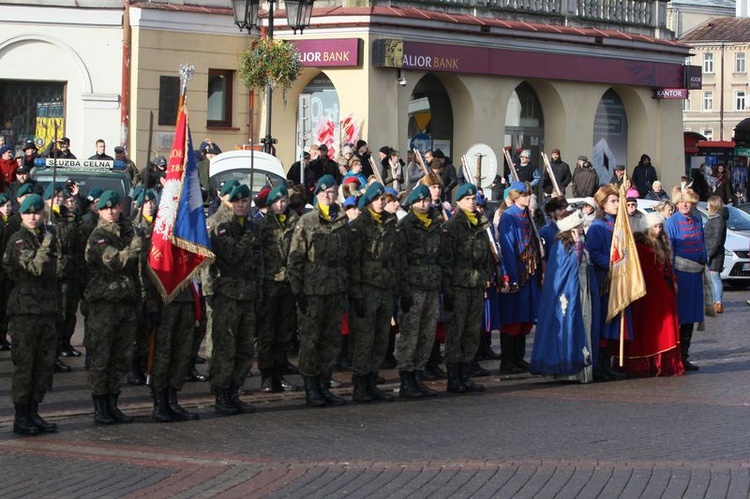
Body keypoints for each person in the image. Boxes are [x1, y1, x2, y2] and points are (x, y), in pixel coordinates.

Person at [288, 174, 350, 407]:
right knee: (311, 340)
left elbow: (349, 257)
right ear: (317, 195)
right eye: (323, 192)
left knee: (331, 339)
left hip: (335, 288)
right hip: (312, 289)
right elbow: (295, 259)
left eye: (331, 191)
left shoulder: (343, 221)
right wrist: (297, 290)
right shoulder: (307, 221)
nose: (327, 195)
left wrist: (348, 288)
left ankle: (324, 383)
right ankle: (311, 387)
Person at [84, 190, 143, 424]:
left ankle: (113, 402)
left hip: (125, 301)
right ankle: (100, 406)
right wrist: (134, 248)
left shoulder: (128, 231)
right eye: (105, 208)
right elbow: (115, 261)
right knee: (102, 356)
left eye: (114, 207)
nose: (110, 212)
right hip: (104, 304)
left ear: (120, 207)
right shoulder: (98, 236)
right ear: (99, 210)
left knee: (121, 356)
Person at [3, 194, 59, 435]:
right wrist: (47, 243)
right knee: (26, 365)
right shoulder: (19, 240)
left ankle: (34, 411)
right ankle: (21, 415)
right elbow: (35, 268)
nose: (33, 216)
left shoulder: (42, 238)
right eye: (28, 213)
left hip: (45, 309)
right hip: (25, 310)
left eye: (37, 212)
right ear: (22, 215)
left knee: (43, 364)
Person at [208, 184, 262, 415]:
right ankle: (221, 394)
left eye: (245, 201)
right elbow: (233, 256)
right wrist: (249, 235)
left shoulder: (249, 224)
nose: (241, 205)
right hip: (227, 293)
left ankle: (234, 392)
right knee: (226, 347)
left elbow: (258, 259)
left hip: (247, 292)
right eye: (237, 201)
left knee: (245, 347)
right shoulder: (220, 224)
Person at [530, 210, 595, 383]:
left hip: (581, 288)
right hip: (568, 293)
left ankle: (582, 368)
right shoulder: (561, 246)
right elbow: (566, 268)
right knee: (570, 324)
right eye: (579, 225)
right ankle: (567, 367)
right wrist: (577, 244)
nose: (582, 228)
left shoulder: (580, 242)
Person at [348, 182, 397, 403]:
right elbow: (354, 261)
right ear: (369, 201)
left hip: (385, 287)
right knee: (364, 339)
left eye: (383, 199)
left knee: (381, 338)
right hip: (366, 288)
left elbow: (396, 257)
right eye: (377, 199)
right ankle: (360, 383)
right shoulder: (360, 225)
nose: (381, 202)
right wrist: (356, 292)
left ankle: (372, 381)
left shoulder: (389, 222)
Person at [440, 183, 491, 393]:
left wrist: (485, 278)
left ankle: (465, 373)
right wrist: (449, 289)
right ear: (458, 202)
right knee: (456, 331)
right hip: (459, 284)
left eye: (473, 199)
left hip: (476, 283)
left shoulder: (480, 224)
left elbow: (486, 256)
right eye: (467, 199)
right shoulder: (452, 226)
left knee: (471, 331)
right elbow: (446, 260)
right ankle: (453, 377)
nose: (472, 202)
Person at [394, 184, 442, 398]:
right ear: (412, 203)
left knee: (427, 333)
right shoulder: (405, 225)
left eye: (426, 200)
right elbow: (400, 258)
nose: (424, 204)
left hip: (432, 284)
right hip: (413, 286)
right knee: (410, 334)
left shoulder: (437, 223)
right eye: (419, 201)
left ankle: (418, 375)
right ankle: (406, 379)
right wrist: (403, 289)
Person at [623, 212, 684, 378]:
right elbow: (648, 273)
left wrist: (672, 282)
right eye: (655, 227)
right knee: (650, 327)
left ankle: (665, 361)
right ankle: (647, 363)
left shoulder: (661, 244)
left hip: (662, 290)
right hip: (649, 294)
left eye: (659, 227)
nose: (658, 230)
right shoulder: (642, 247)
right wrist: (664, 289)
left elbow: (666, 268)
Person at [256, 185, 300, 393]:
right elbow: (259, 256)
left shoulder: (296, 223)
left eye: (283, 200)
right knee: (267, 332)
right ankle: (266, 375)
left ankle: (280, 371)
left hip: (289, 282)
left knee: (284, 331)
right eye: (276, 201)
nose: (281, 204)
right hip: (270, 282)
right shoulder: (263, 225)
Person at [497, 181, 542, 374]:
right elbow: (508, 248)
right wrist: (512, 276)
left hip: (530, 273)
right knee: (512, 317)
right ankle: (507, 360)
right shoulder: (509, 216)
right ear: (516, 197)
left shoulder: (527, 215)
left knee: (526, 316)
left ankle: (519, 357)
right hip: (518, 273)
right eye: (524, 194)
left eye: (529, 194)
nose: (528, 197)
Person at [585, 185, 627, 380]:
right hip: (604, 281)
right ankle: (600, 366)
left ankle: (609, 363)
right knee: (604, 322)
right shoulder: (597, 226)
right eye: (613, 201)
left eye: (618, 201)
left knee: (614, 323)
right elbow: (592, 253)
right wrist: (612, 264)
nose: (617, 204)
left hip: (619, 281)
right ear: (603, 204)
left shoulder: (620, 224)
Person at [664, 186, 705, 372]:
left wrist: (705, 257)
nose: (684, 205)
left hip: (696, 274)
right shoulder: (672, 222)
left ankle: (684, 355)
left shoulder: (697, 220)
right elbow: (669, 250)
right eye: (681, 202)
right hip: (680, 274)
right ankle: (675, 357)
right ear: (677, 204)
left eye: (687, 202)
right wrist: (671, 276)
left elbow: (702, 242)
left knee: (691, 317)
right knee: (680, 316)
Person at [704, 196, 728, 314]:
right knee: (712, 279)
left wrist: (709, 254)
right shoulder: (713, 218)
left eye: (708, 204)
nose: (707, 207)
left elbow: (716, 240)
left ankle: (718, 303)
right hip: (711, 252)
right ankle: (714, 302)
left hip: (715, 254)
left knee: (715, 278)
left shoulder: (718, 219)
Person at [538, 196, 568, 263]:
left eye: (565, 208)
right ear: (551, 213)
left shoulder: (570, 229)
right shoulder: (544, 232)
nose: (564, 211)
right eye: (560, 209)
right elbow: (542, 257)